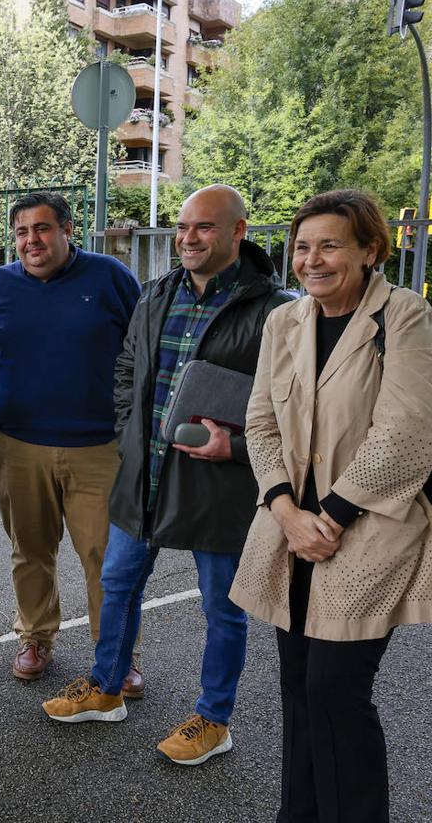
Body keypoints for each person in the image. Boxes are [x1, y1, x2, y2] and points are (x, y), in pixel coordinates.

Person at [42, 185, 292, 766]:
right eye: (182, 228)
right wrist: (130, 426)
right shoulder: (156, 294)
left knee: (221, 607)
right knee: (120, 583)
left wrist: (240, 448)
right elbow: (128, 368)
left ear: (238, 231)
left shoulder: (277, 310)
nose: (188, 238)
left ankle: (214, 718)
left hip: (219, 482)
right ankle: (107, 689)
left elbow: (289, 403)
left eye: (204, 227)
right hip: (145, 474)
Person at [229, 190, 432, 820]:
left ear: (371, 250)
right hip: (291, 531)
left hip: (366, 530)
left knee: (335, 692)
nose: (312, 259)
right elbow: (260, 423)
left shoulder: (404, 316)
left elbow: (406, 432)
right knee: (298, 691)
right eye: (302, 246)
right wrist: (287, 511)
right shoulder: (282, 322)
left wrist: (331, 516)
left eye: (330, 245)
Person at [0, 192, 142, 687]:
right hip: (16, 446)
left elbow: (142, 354)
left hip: (100, 449)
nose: (31, 240)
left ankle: (117, 656)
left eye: (41, 229)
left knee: (106, 558)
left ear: (66, 230)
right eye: (21, 232)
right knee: (30, 550)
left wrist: (134, 430)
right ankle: (35, 637)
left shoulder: (110, 278)